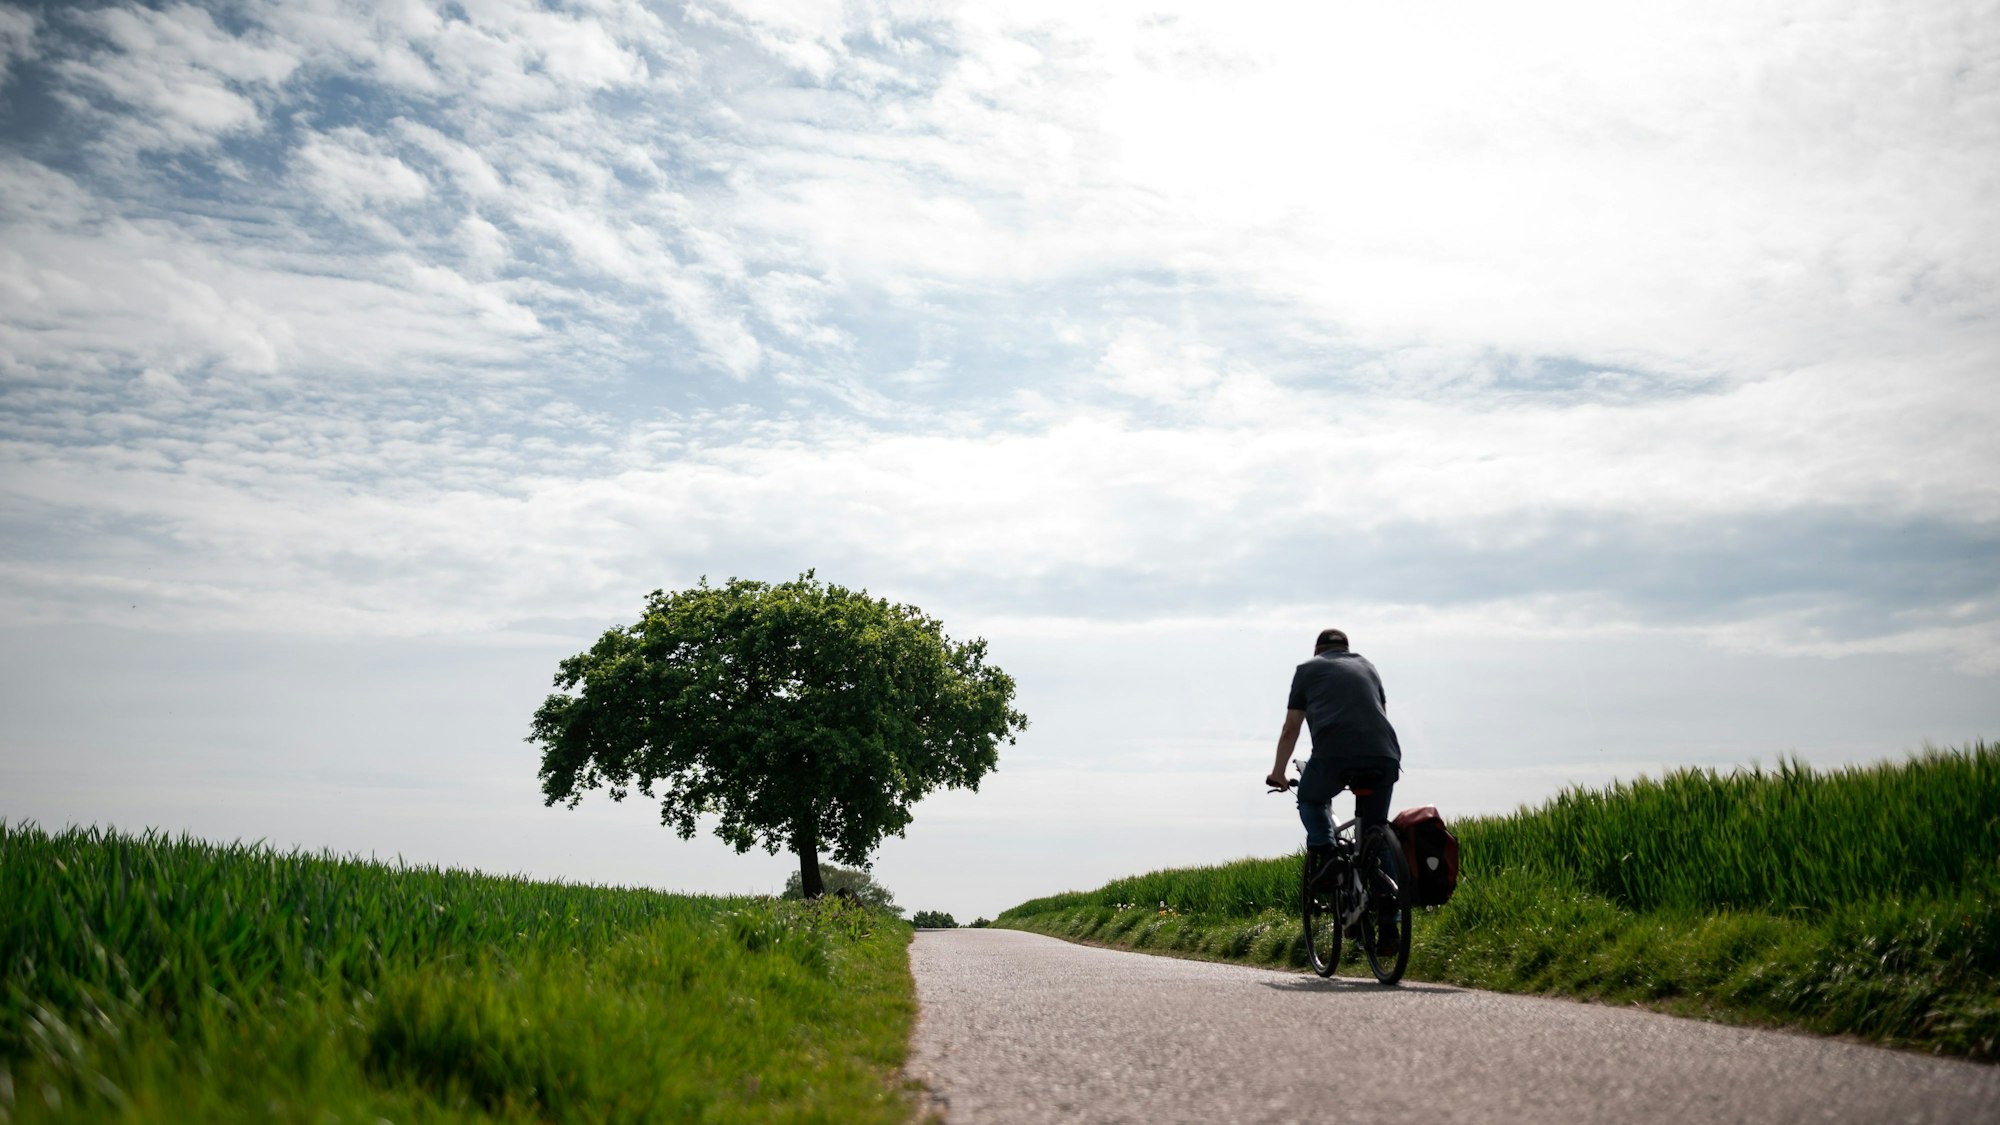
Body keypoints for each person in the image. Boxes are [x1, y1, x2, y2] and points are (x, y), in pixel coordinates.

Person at [1265, 627, 1401, 886]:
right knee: (1375, 831)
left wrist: (1278, 772)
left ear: (1317, 651)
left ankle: (1329, 855)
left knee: (1310, 799)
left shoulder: (1307, 670)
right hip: (1384, 754)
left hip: (1333, 756)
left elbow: (1291, 728)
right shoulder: (1368, 667)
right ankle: (1389, 905)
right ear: (1346, 650)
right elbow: (1381, 714)